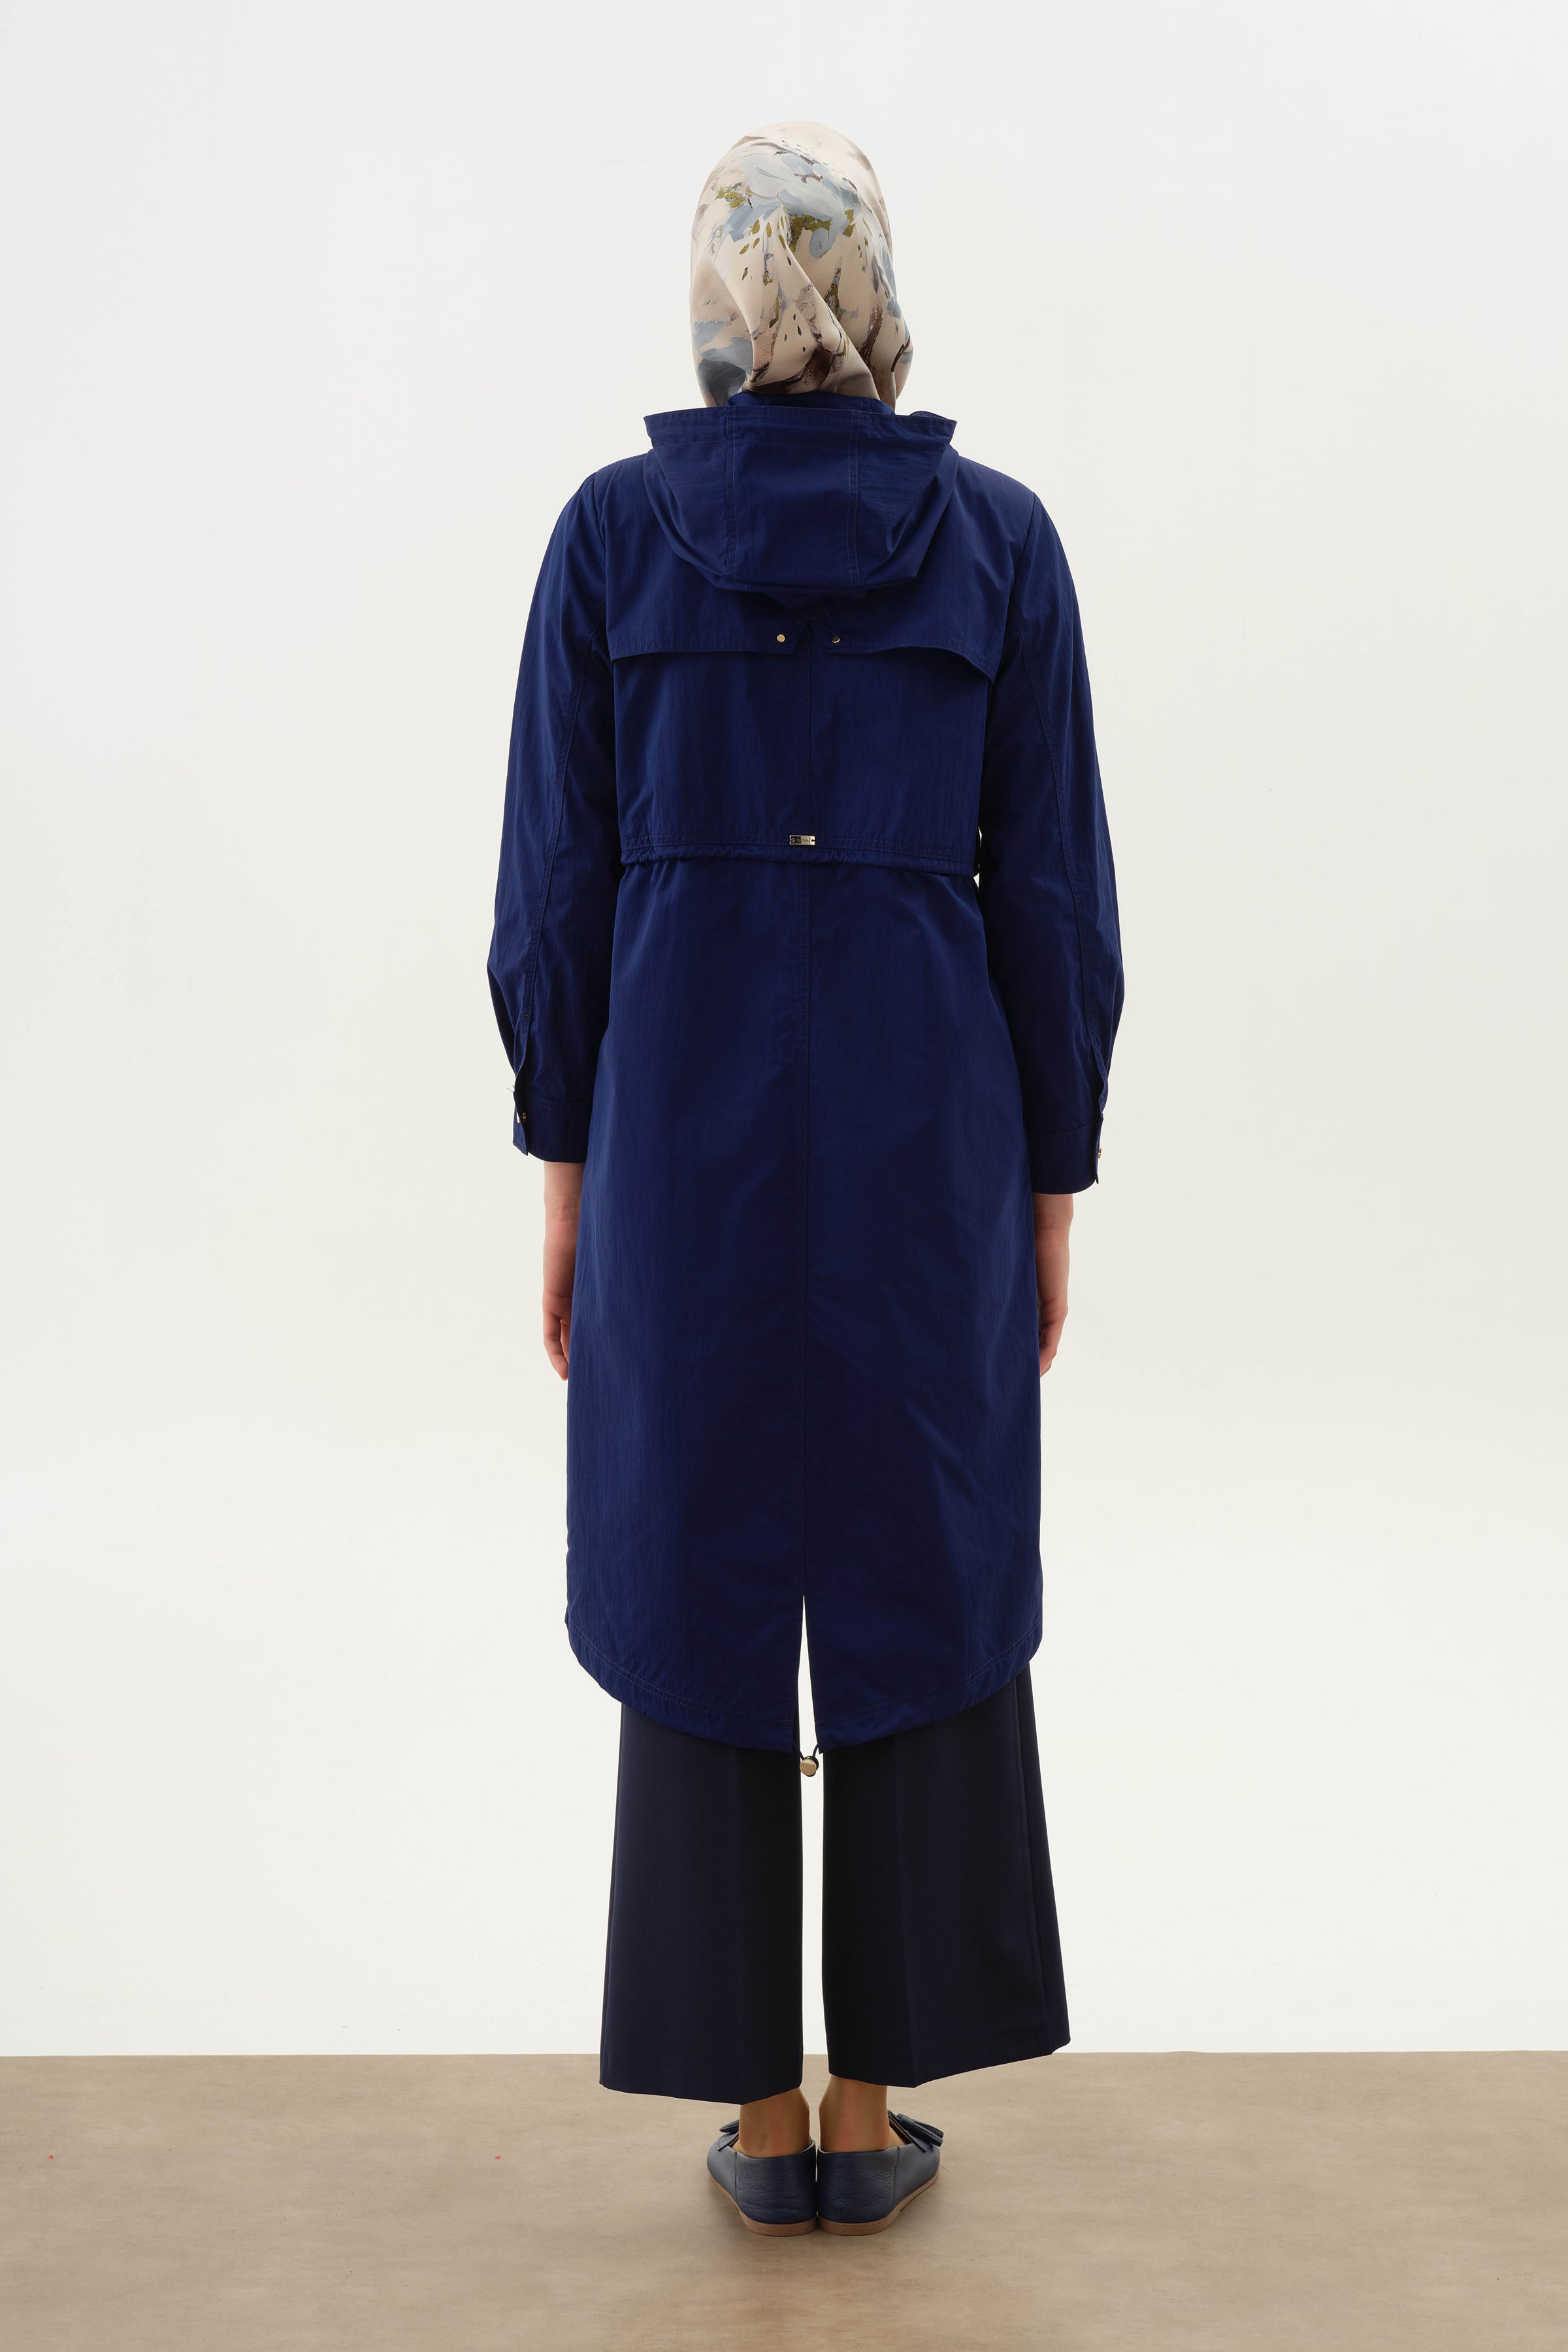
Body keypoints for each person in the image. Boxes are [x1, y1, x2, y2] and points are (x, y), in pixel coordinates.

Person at [487, 121, 1123, 2238]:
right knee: (917, 1543)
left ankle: (757, 2122)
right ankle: (869, 2107)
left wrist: (564, 1170)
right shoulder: (1003, 542)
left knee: (699, 1550)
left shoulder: (608, 539)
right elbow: (1053, 896)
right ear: (875, 290)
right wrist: (1050, 1182)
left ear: (713, 295)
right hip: (930, 1131)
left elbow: (555, 887)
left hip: (676, 1131)